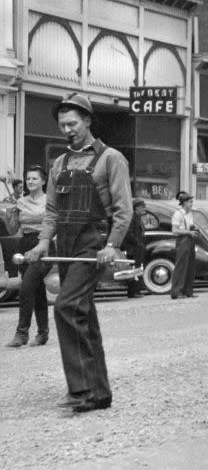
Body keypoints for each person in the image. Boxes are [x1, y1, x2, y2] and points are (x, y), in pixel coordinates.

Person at [26, 93, 133, 413]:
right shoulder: (59, 164)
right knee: (82, 313)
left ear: (87, 120)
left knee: (65, 306)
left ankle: (80, 389)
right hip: (68, 246)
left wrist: (111, 245)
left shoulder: (110, 158)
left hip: (95, 243)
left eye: (72, 123)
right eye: (62, 125)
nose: (67, 130)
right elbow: (52, 213)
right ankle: (99, 393)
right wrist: (43, 243)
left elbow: (123, 210)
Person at [5, 165, 53, 348]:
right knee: (37, 290)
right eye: (28, 178)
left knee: (26, 288)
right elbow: (13, 228)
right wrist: (10, 213)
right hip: (24, 245)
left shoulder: (50, 201)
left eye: (34, 178)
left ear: (43, 181)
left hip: (44, 245)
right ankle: (43, 334)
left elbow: (55, 224)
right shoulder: (20, 201)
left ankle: (21, 333)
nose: (30, 181)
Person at [170, 191, 199, 300]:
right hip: (182, 241)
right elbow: (175, 230)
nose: (192, 204)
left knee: (190, 266)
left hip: (190, 240)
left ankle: (188, 291)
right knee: (181, 266)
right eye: (190, 202)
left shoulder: (190, 214)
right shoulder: (178, 214)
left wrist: (194, 230)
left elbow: (191, 225)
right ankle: (176, 292)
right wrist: (189, 232)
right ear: (184, 203)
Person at [120, 197, 147, 299]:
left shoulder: (138, 218)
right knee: (134, 269)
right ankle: (133, 291)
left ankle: (137, 290)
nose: (144, 208)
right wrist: (137, 243)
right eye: (142, 206)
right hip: (133, 248)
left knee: (138, 269)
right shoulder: (132, 218)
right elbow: (128, 233)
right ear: (136, 208)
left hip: (138, 248)